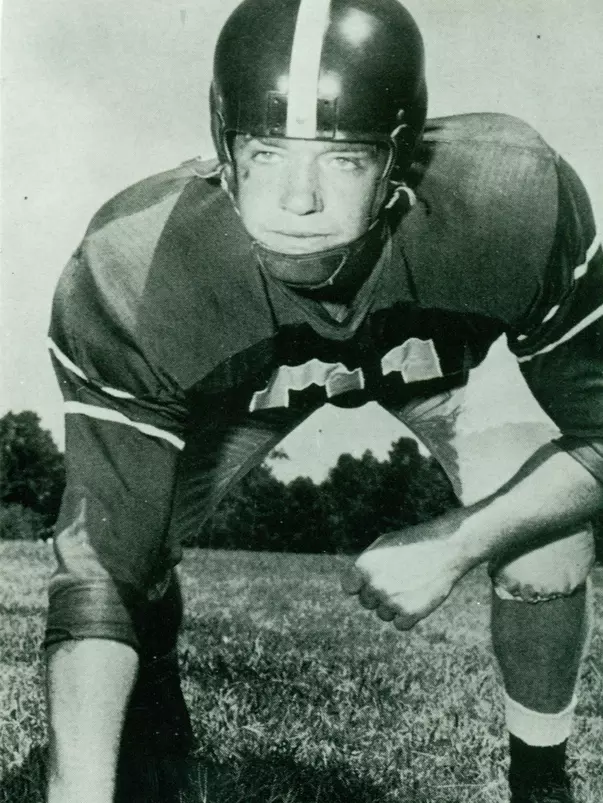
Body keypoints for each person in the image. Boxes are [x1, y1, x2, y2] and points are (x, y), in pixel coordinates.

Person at [45, 0, 603, 801]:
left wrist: (454, 542)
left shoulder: (508, 201)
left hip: (439, 373)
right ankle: (153, 712)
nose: (296, 201)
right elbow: (97, 565)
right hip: (245, 391)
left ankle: (540, 777)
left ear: (398, 158)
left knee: (546, 546)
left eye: (341, 157)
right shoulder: (139, 270)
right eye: (266, 151)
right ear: (223, 149)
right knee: (135, 539)